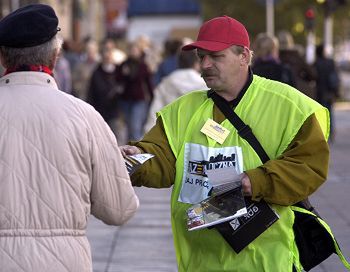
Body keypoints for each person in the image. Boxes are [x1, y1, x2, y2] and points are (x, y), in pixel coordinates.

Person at [120, 15, 330, 271]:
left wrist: (254, 181)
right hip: (201, 261)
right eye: (201, 56)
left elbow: (309, 166)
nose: (205, 64)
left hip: (266, 261)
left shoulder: (289, 105)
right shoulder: (182, 110)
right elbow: (161, 158)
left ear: (244, 55)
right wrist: (135, 158)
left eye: (215, 56)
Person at [0, 4, 139, 272]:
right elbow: (119, 209)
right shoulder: (84, 116)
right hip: (63, 262)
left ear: (4, 58)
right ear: (55, 55)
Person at [144, 50, 208, 131]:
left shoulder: (166, 82)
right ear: (196, 64)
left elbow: (155, 109)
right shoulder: (204, 84)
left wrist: (149, 132)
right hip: (195, 130)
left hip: (169, 130)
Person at [277, 30, 317, 98]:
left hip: (279, 94)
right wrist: (301, 78)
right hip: (296, 93)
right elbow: (312, 75)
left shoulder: (276, 58)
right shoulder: (297, 57)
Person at [314, 44, 340, 141]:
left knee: (321, 113)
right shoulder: (331, 62)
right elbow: (335, 77)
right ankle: (330, 132)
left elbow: (313, 77)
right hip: (329, 92)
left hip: (320, 92)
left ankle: (323, 133)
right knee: (330, 113)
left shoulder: (316, 63)